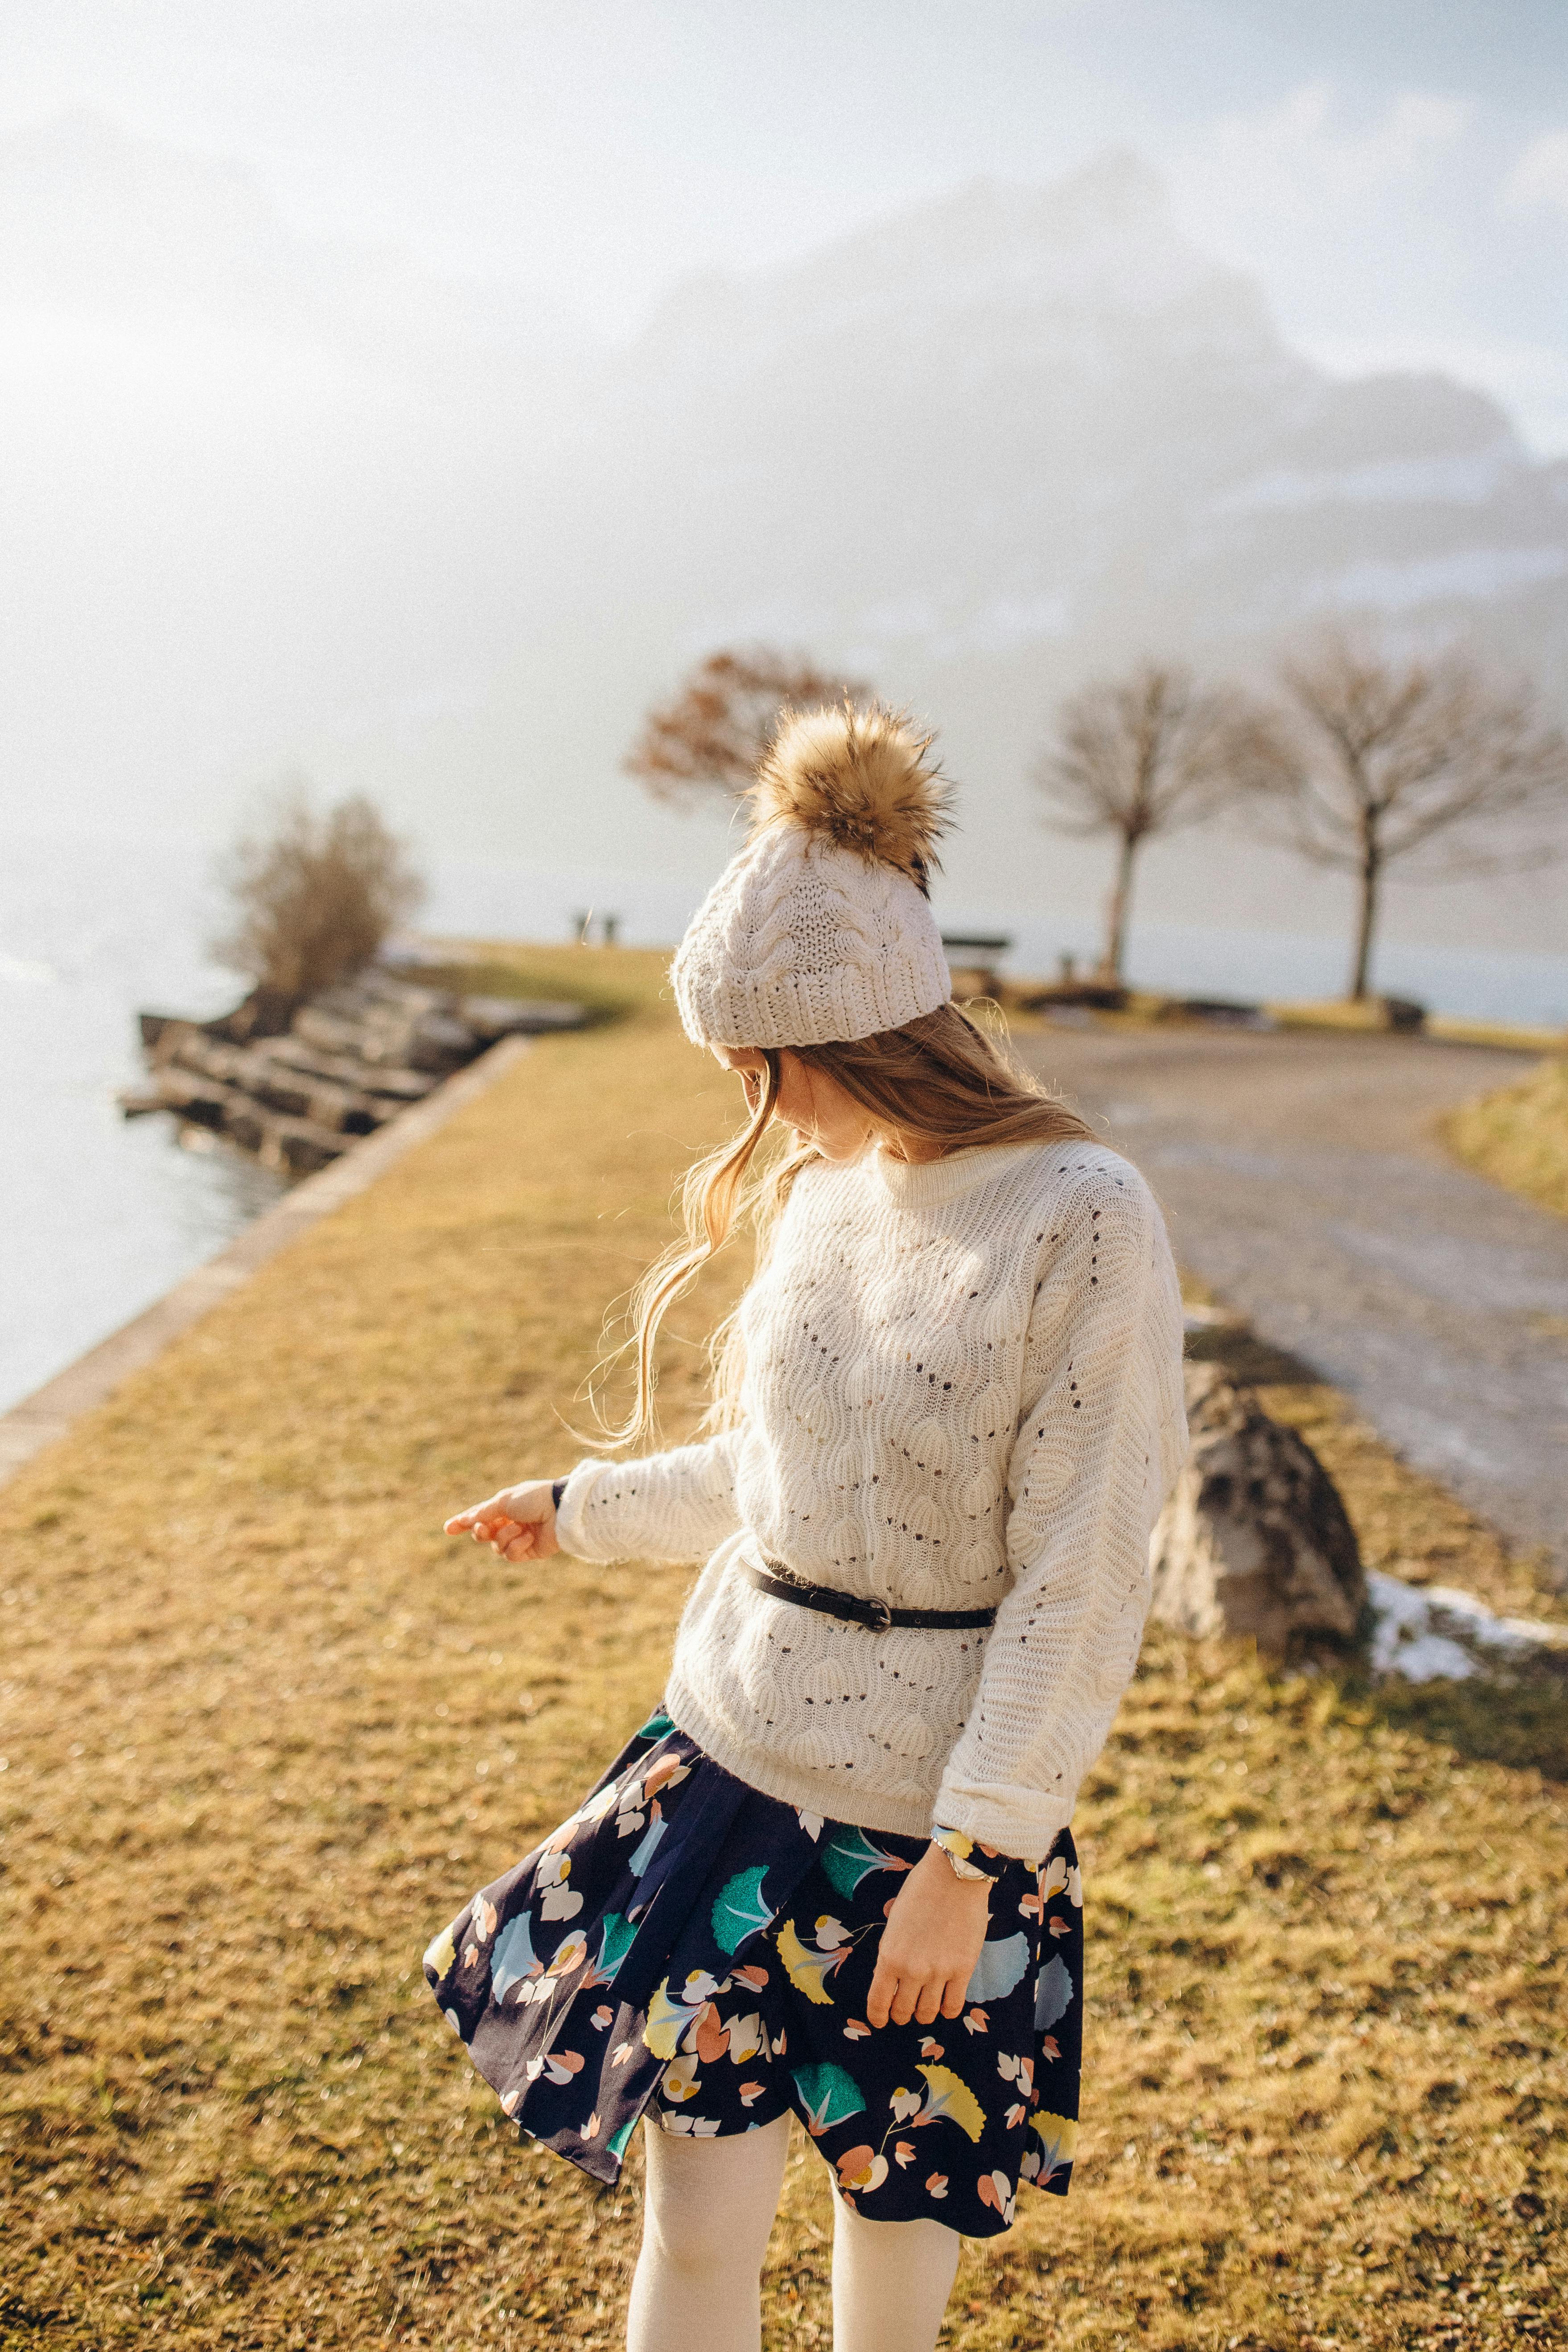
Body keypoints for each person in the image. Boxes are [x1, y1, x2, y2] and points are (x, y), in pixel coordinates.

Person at [429, 704, 1188, 2352]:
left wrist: (969, 1866)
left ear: (824, 1037)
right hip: (732, 1778)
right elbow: (780, 1479)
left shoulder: (1084, 1219)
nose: (746, 1107)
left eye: (752, 1067)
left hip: (925, 1845)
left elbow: (1084, 1573)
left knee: (889, 2269)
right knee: (693, 2236)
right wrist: (576, 1513)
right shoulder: (822, 1190)